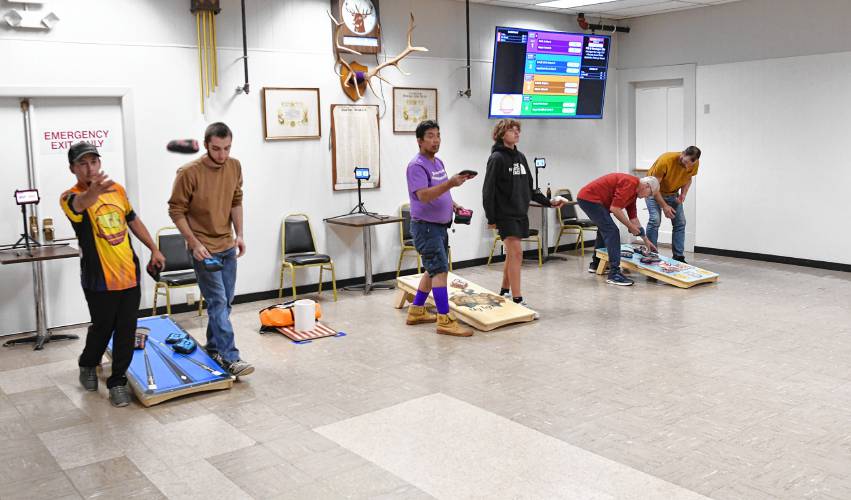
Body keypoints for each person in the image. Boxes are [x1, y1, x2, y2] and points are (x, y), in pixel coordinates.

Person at [60, 142, 165, 407]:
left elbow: (132, 220)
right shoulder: (69, 197)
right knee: (103, 327)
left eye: (93, 162)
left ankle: (117, 380)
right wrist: (92, 192)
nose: (90, 168)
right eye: (83, 163)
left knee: (127, 329)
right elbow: (81, 204)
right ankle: (87, 363)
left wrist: (154, 248)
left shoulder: (117, 190)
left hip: (129, 273)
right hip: (98, 279)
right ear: (73, 168)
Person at [168, 122, 253, 376]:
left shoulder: (234, 166)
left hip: (227, 245)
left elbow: (236, 200)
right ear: (206, 145)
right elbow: (176, 210)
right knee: (217, 302)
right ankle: (230, 358)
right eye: (216, 149)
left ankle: (214, 348)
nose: (222, 155)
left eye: (227, 148)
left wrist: (240, 234)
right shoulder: (188, 172)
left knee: (225, 303)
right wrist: (193, 243)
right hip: (203, 248)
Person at [482, 119, 565, 313]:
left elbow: (530, 188)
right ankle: (517, 299)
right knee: (517, 253)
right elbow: (488, 190)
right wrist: (491, 218)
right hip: (505, 214)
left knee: (512, 254)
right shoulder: (496, 158)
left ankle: (504, 291)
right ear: (502, 134)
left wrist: (549, 202)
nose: (516, 133)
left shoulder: (520, 157)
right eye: (512, 130)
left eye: (518, 130)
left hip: (520, 212)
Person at [405, 120, 475, 337]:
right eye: (430, 136)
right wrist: (451, 184)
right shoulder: (416, 166)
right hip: (426, 228)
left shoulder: (438, 163)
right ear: (419, 141)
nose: (436, 140)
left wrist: (454, 204)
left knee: (433, 269)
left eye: (438, 135)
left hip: (440, 226)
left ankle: (416, 311)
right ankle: (444, 320)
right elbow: (424, 195)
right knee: (440, 271)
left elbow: (442, 191)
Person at [577, 173, 659, 286]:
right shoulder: (630, 183)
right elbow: (615, 209)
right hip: (589, 199)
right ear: (647, 186)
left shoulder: (633, 193)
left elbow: (633, 218)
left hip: (592, 200)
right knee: (612, 231)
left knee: (604, 230)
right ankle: (614, 274)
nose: (646, 197)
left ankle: (595, 264)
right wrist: (630, 227)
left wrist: (646, 240)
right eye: (649, 194)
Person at [646, 146, 701, 263]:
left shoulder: (694, 162)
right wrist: (665, 206)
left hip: (672, 193)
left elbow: (688, 178)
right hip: (652, 191)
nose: (687, 166)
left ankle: (678, 256)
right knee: (655, 220)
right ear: (682, 154)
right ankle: (652, 254)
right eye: (685, 162)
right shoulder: (665, 160)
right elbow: (654, 187)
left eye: (690, 165)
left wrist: (683, 194)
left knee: (680, 223)